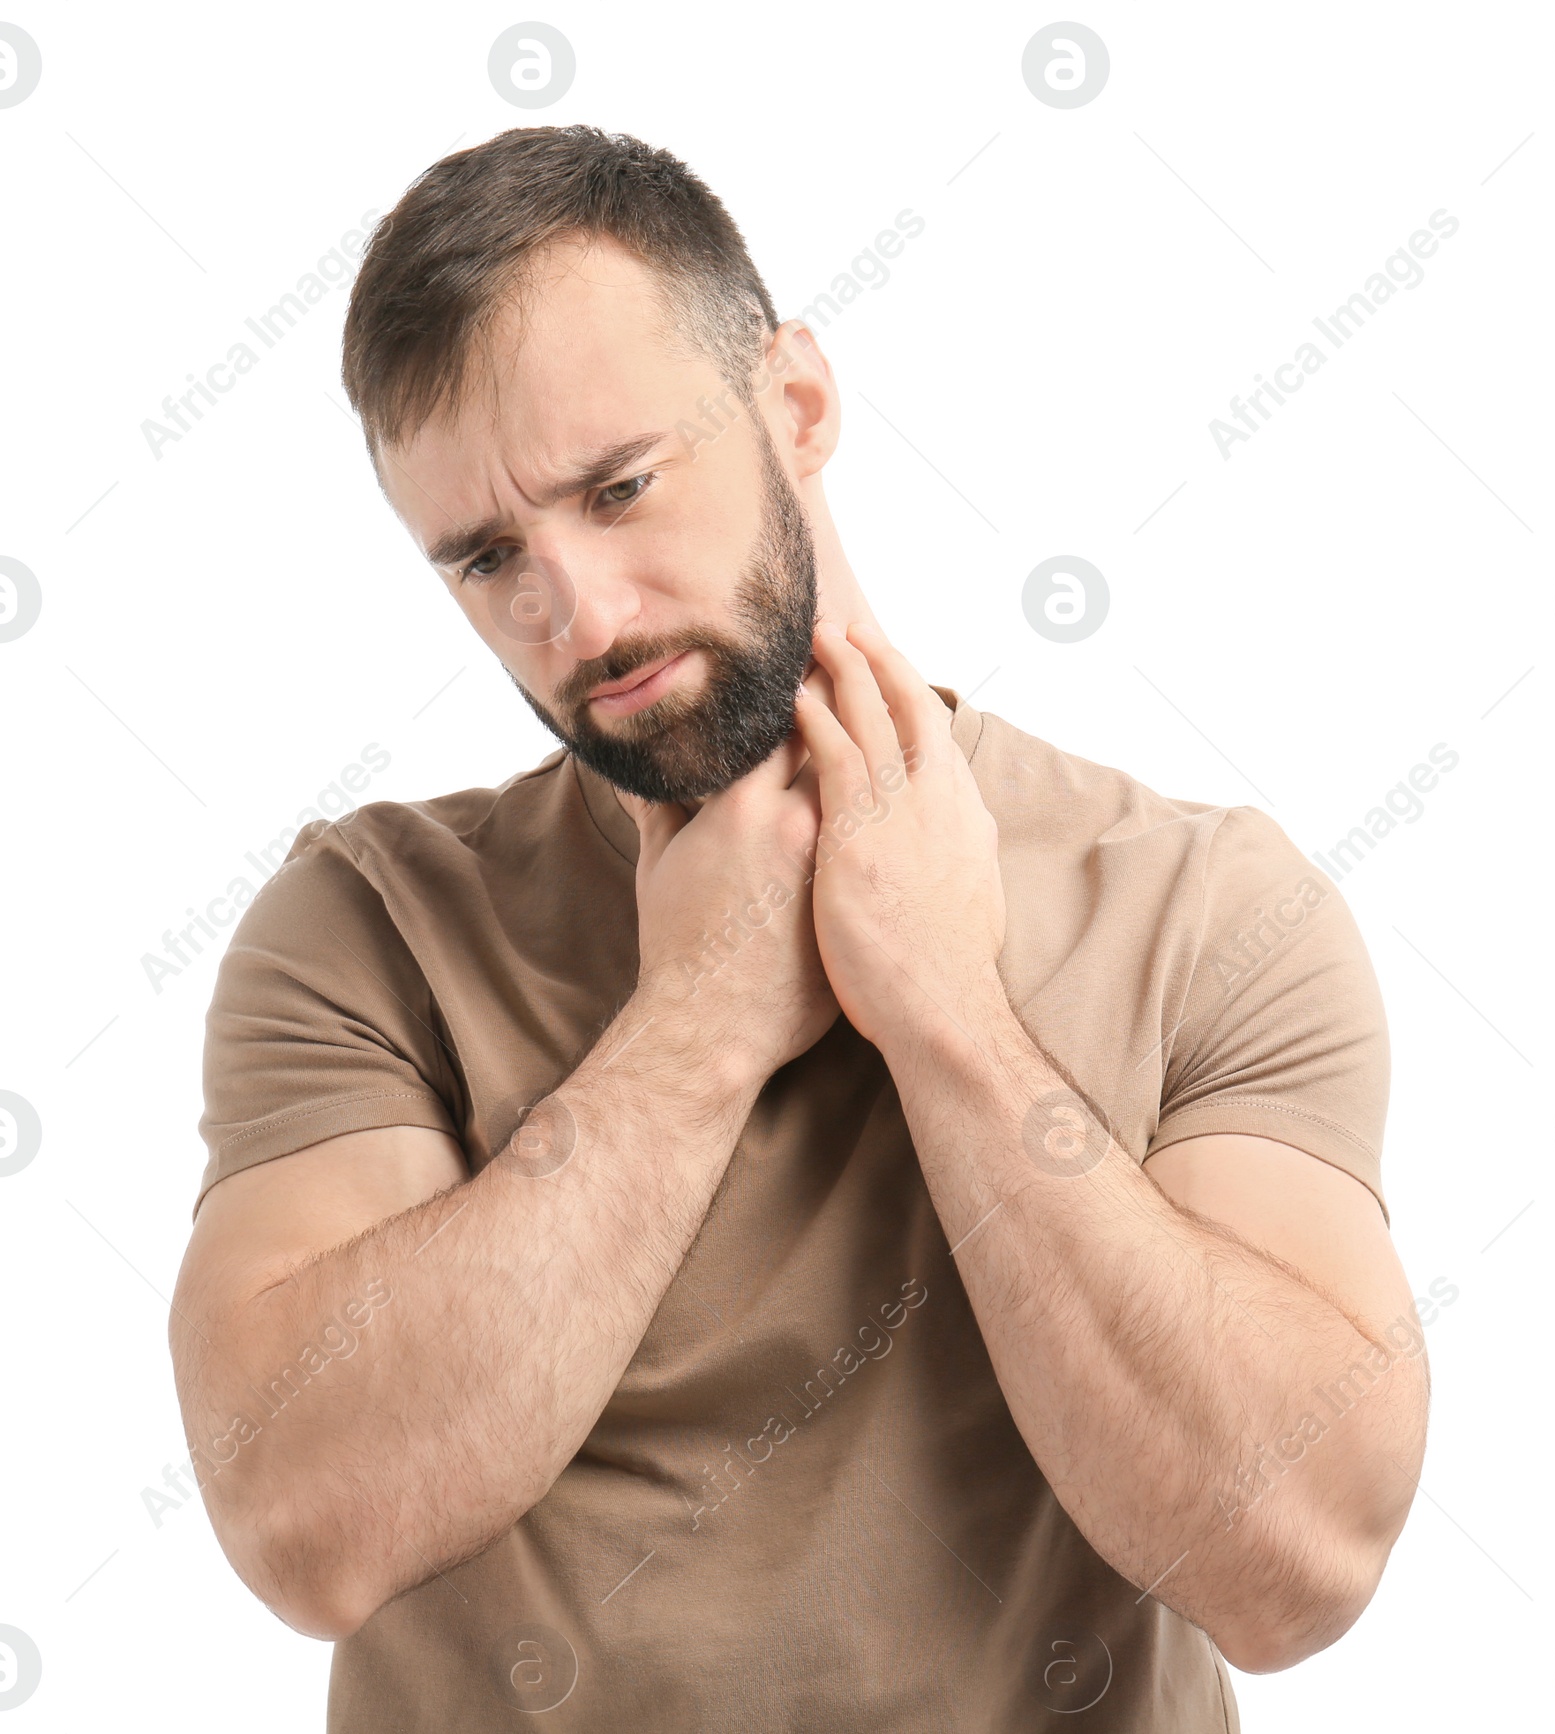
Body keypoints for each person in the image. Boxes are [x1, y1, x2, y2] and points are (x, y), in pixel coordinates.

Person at [169, 125, 1428, 1733]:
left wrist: (948, 1011)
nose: (585, 617)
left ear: (798, 406)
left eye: (621, 487)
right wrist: (695, 1025)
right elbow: (303, 1528)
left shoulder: (1203, 903)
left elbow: (1298, 1564)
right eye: (491, 560)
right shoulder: (368, 926)